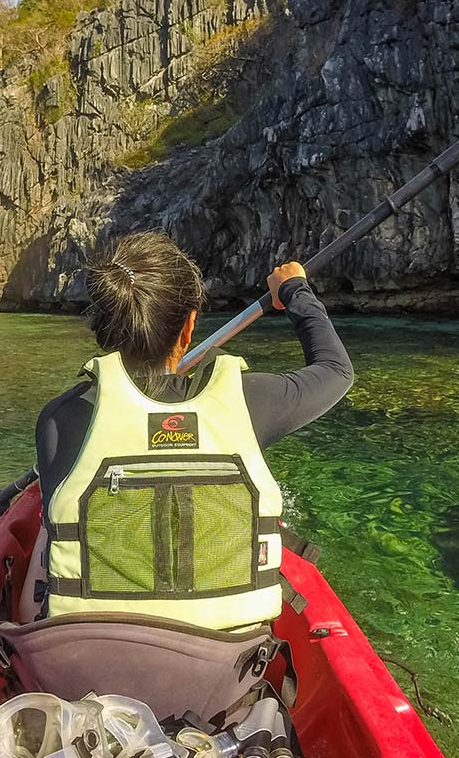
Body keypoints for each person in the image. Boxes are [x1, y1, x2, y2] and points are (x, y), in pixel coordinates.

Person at [29, 230, 354, 627]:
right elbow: (336, 371)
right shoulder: (250, 401)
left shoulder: (60, 417)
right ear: (189, 328)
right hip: (231, 671)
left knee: (52, 529)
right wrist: (295, 291)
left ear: (103, 328)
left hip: (84, 665)